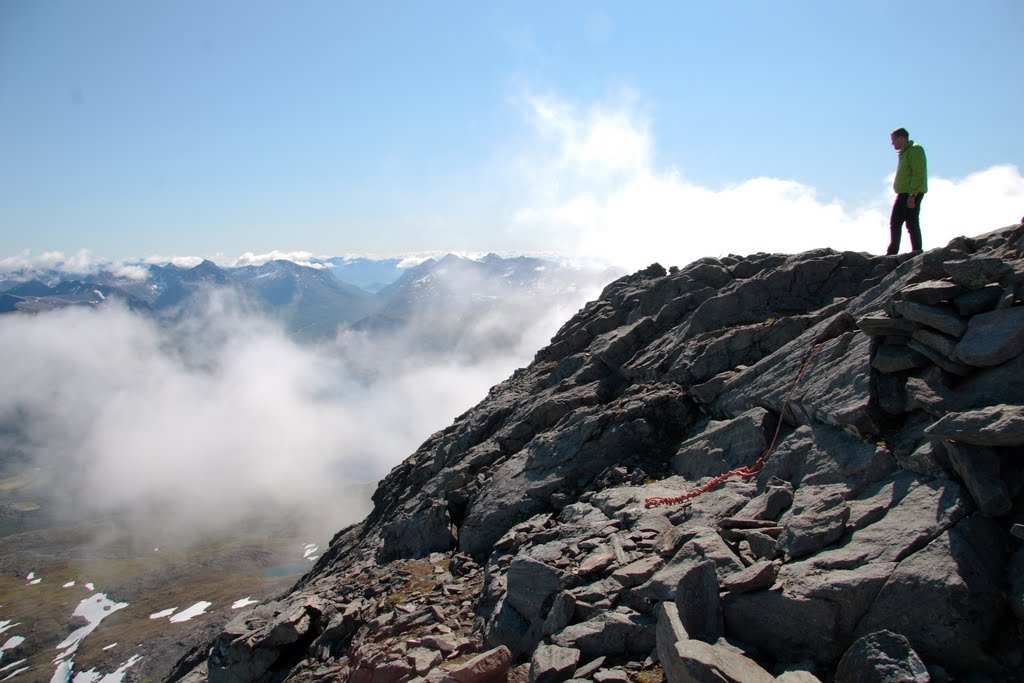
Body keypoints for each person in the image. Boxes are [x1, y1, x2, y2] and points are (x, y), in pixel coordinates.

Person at [887, 127, 927, 254]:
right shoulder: (905, 152)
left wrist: (912, 194)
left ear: (902, 138)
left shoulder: (915, 150)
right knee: (897, 222)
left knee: (910, 223)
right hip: (904, 193)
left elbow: (918, 173)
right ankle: (896, 252)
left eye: (893, 140)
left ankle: (915, 251)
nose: (892, 143)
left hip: (910, 193)